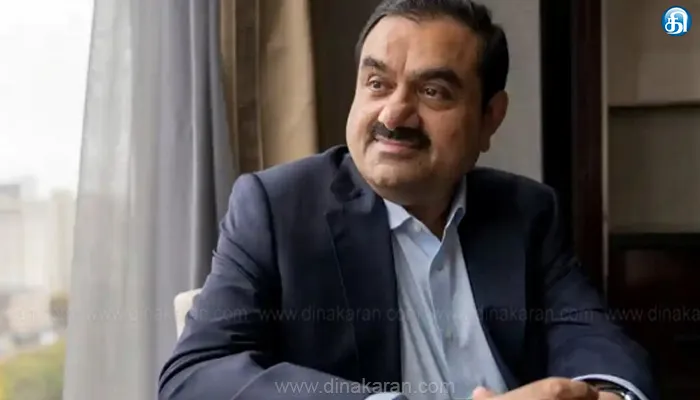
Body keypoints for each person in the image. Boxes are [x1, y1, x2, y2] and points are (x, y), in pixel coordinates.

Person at [158, 0, 656, 399]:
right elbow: (197, 375)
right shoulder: (277, 208)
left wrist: (606, 395)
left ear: (490, 118)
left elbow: (592, 339)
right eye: (377, 84)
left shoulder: (526, 212)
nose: (394, 115)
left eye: (433, 91)